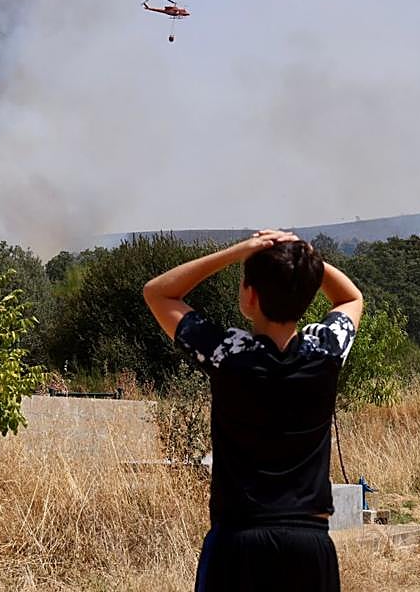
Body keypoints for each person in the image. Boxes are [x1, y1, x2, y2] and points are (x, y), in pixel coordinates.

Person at [143, 229, 364, 592]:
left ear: (250, 295)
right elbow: (350, 296)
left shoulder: (227, 353)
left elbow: (158, 292)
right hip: (309, 541)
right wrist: (303, 260)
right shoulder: (325, 351)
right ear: (308, 294)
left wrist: (237, 252)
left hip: (239, 539)